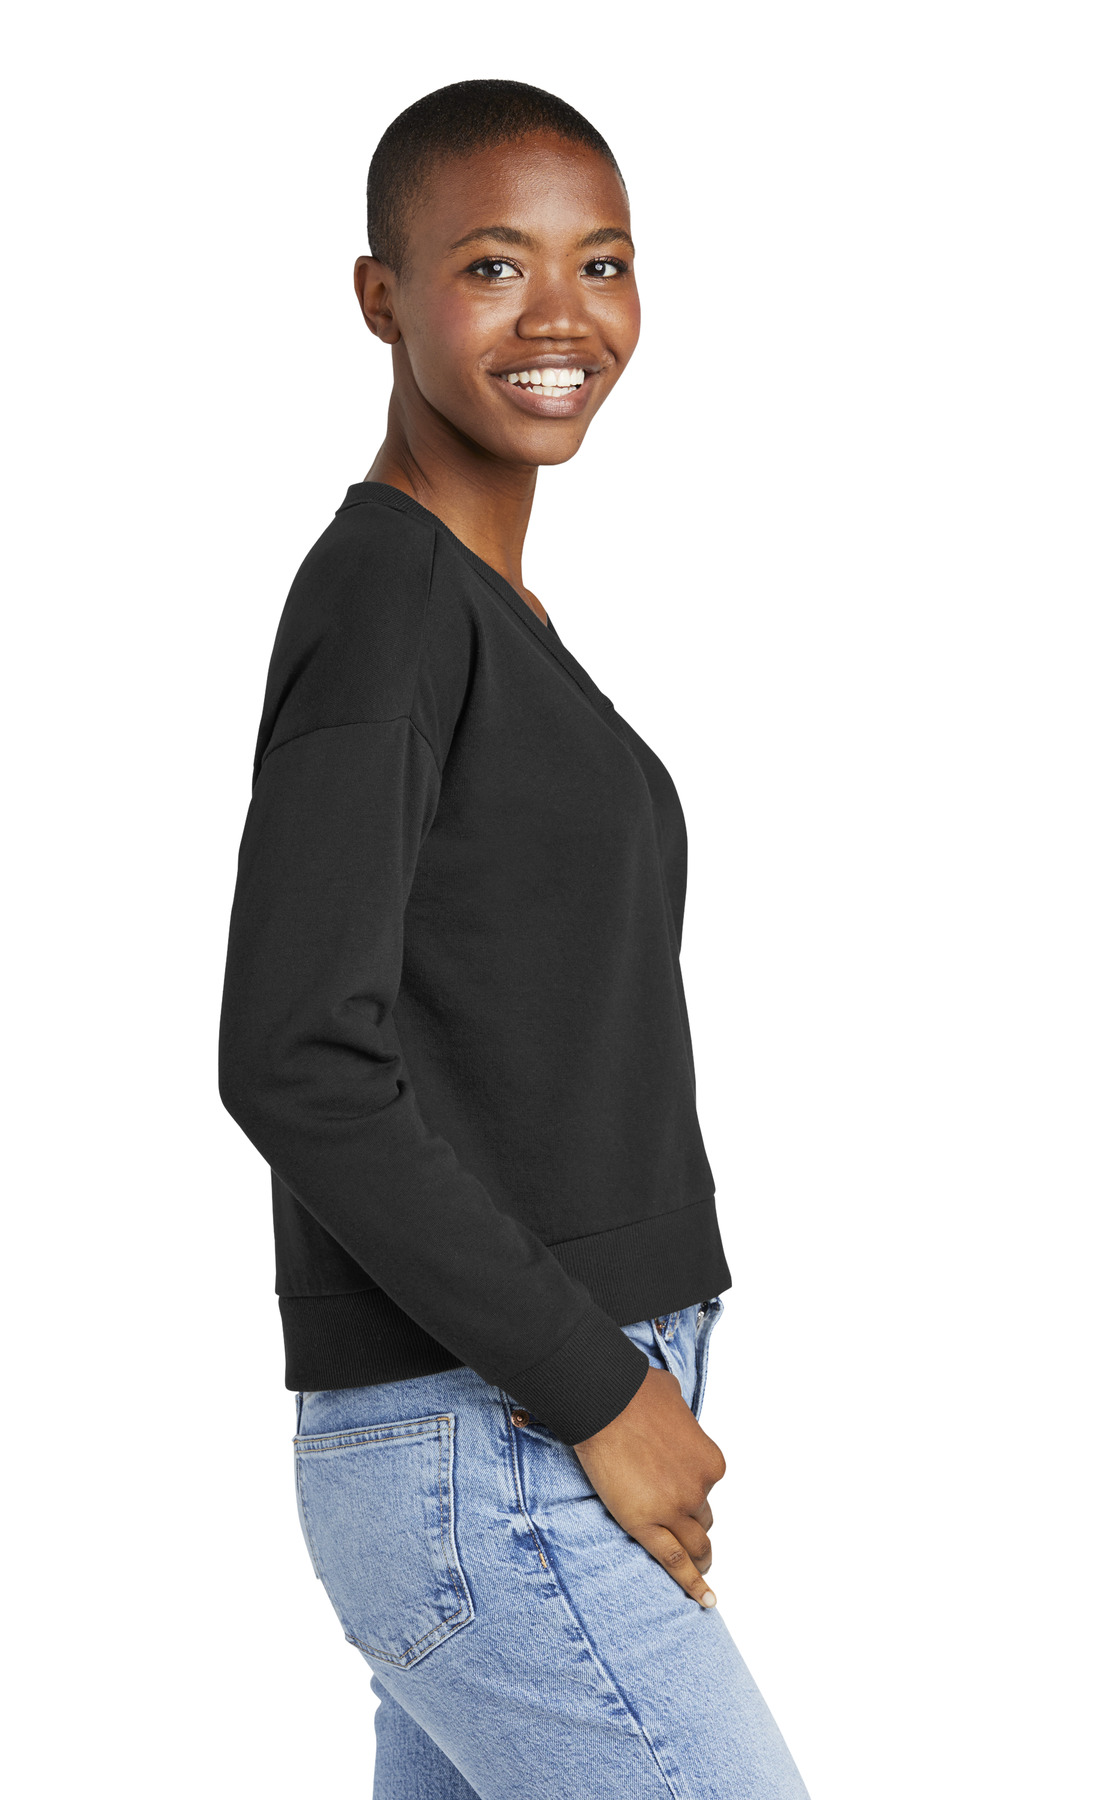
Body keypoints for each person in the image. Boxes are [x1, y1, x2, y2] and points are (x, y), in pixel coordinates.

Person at [219, 79, 809, 1800]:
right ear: (380, 296)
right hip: (502, 1432)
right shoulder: (389, 600)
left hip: (516, 1423)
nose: (563, 316)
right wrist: (597, 1391)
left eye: (601, 263)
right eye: (493, 265)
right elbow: (295, 1058)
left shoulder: (477, 610)